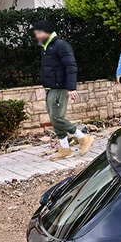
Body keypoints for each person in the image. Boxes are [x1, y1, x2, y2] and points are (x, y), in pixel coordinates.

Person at [33, 20, 93, 160]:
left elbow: (71, 66)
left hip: (59, 88)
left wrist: (71, 88)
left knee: (57, 118)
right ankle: (64, 148)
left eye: (39, 33)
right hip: (50, 88)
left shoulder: (61, 46)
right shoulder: (46, 48)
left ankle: (83, 138)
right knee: (54, 120)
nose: (38, 36)